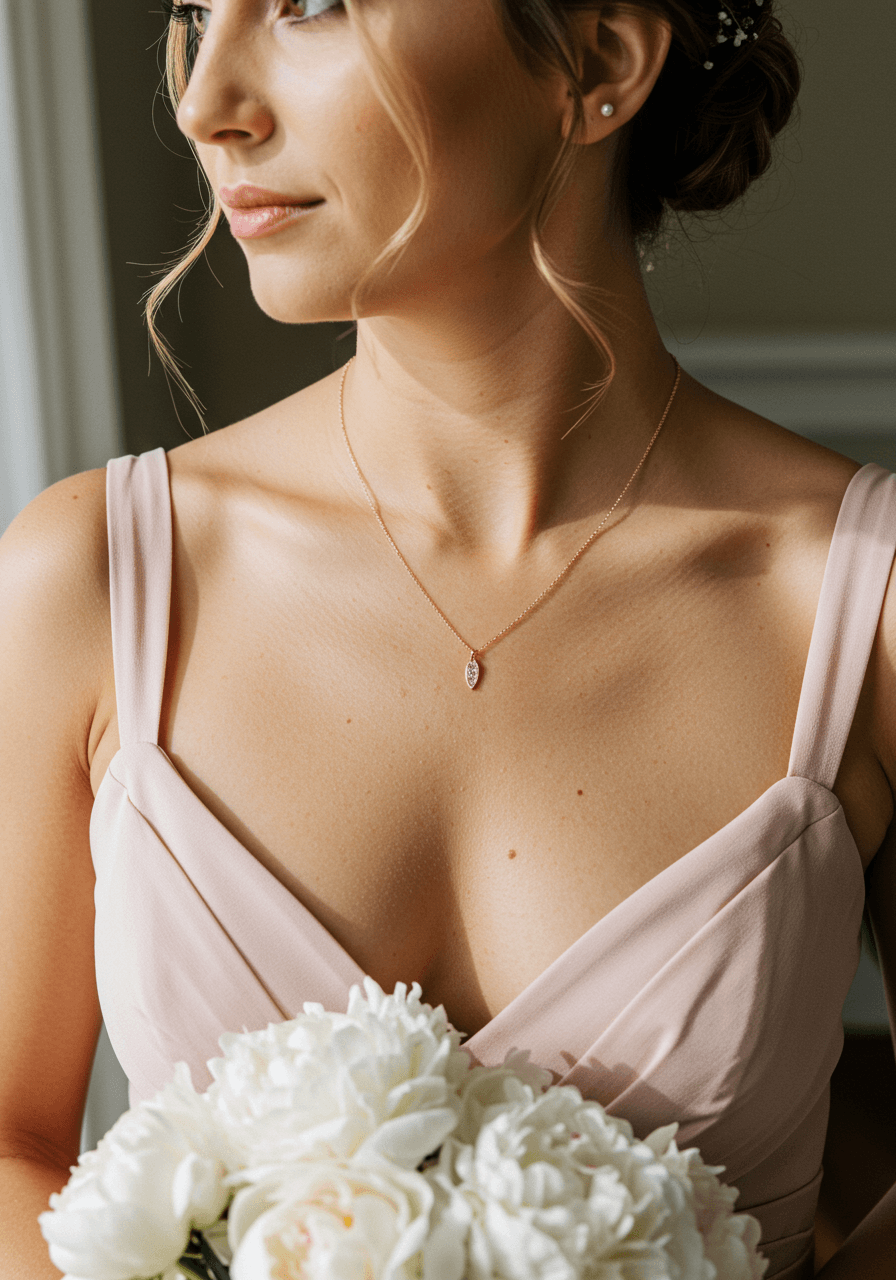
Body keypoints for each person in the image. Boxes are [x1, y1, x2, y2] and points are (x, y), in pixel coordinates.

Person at [0, 0, 893, 1276]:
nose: (206, 103)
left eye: (308, 5)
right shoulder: (91, 576)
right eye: (198, 13)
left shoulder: (861, 604)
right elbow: (8, 1144)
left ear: (597, 60)